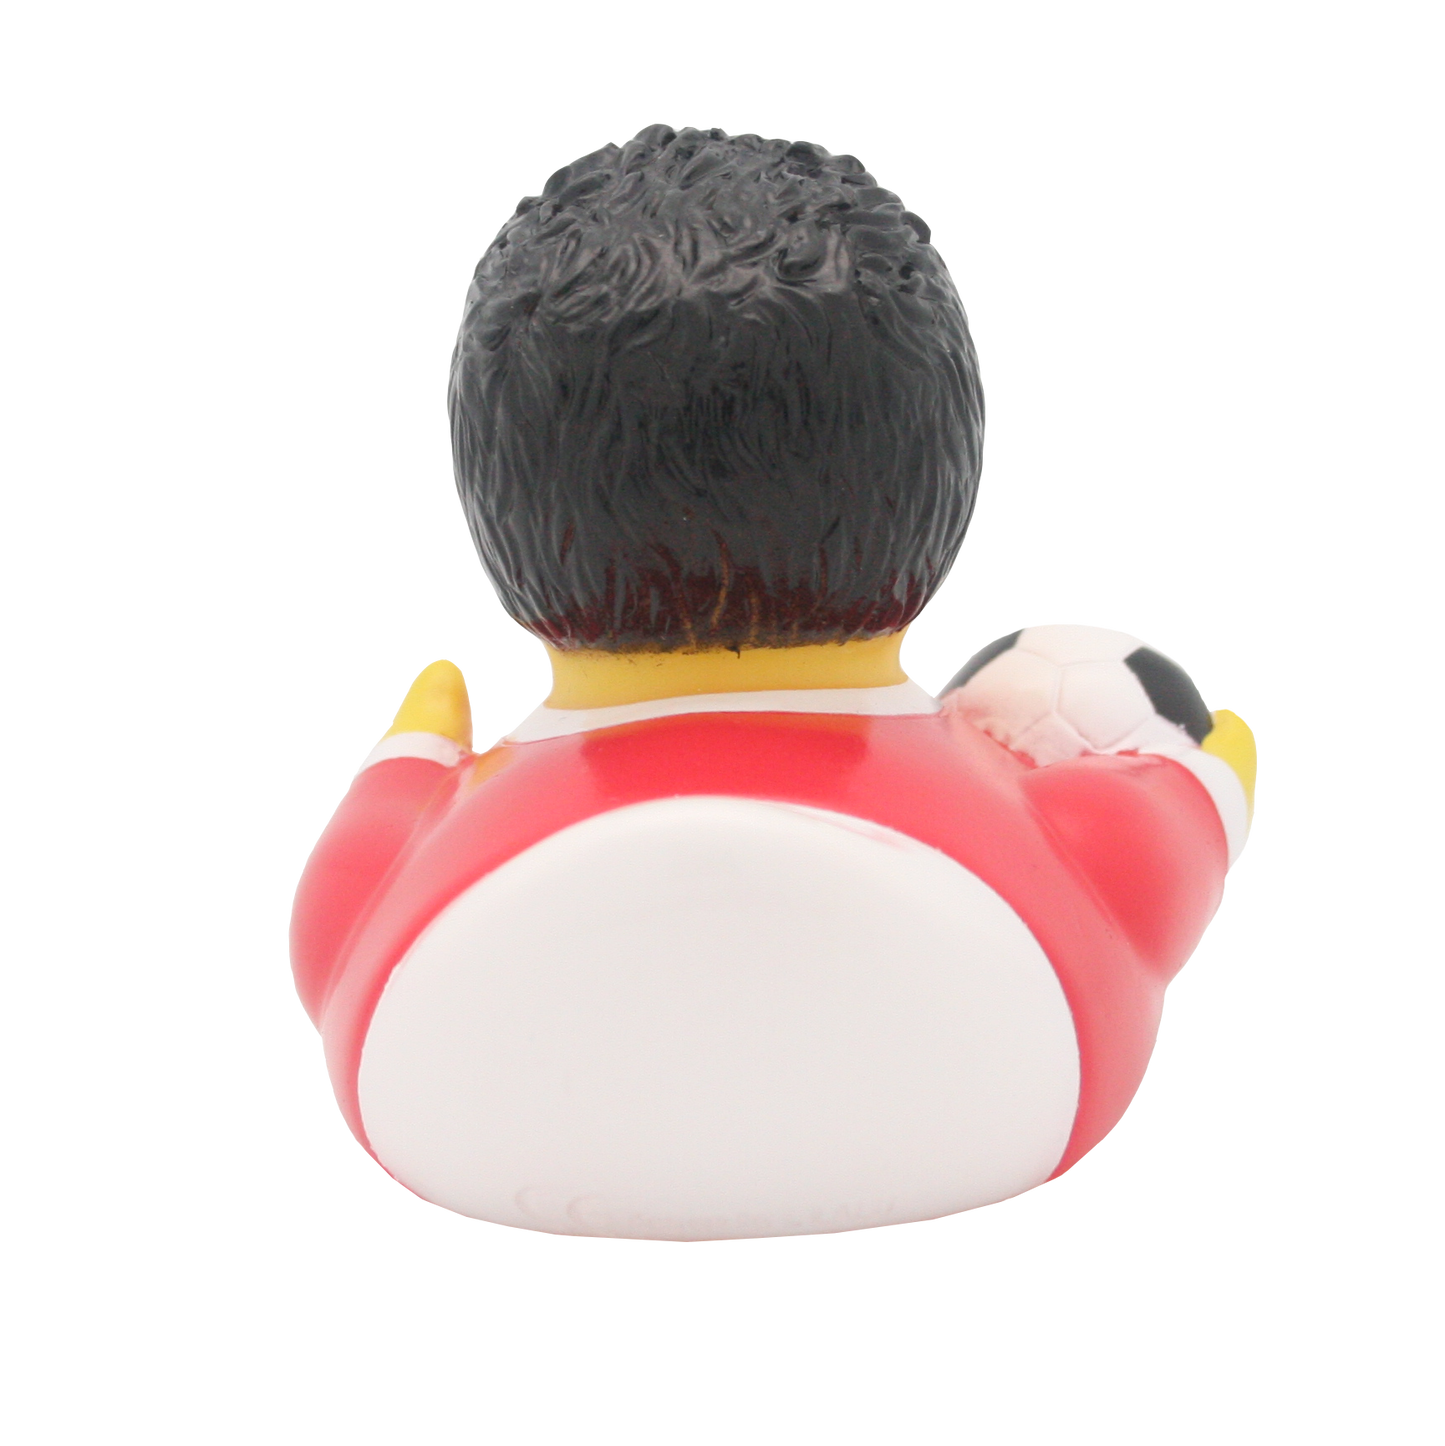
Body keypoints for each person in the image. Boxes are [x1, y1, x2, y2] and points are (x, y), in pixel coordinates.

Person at [288, 123, 1258, 1242]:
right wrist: (1199, 773)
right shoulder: (1047, 838)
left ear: (483, 486)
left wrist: (406, 761)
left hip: (423, 1105)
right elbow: (1178, 833)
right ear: (950, 464)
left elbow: (324, 932)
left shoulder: (428, 850)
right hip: (1039, 1082)